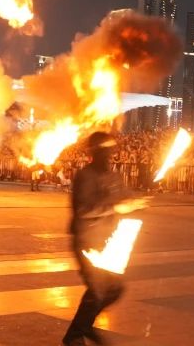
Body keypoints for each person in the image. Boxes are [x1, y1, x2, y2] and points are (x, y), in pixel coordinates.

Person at [63, 131, 136, 346]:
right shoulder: (85, 176)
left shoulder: (113, 176)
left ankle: (84, 326)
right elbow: (84, 210)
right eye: (105, 151)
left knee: (114, 288)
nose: (109, 155)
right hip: (86, 241)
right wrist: (115, 208)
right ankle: (75, 336)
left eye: (111, 151)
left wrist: (135, 201)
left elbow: (124, 195)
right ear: (95, 152)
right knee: (97, 289)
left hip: (106, 240)